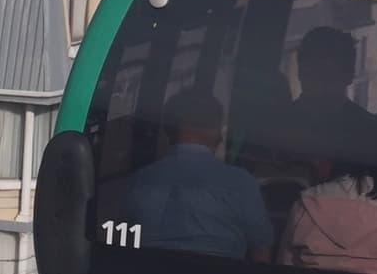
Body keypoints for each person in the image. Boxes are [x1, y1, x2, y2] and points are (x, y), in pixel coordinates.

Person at [109, 87, 272, 260]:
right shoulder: (241, 183)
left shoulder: (139, 180)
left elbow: (120, 237)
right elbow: (261, 252)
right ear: (214, 131)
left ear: (168, 130)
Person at [253, 24, 377, 181]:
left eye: (327, 75)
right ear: (300, 72)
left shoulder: (373, 135)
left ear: (349, 76)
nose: (320, 84)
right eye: (313, 73)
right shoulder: (271, 129)